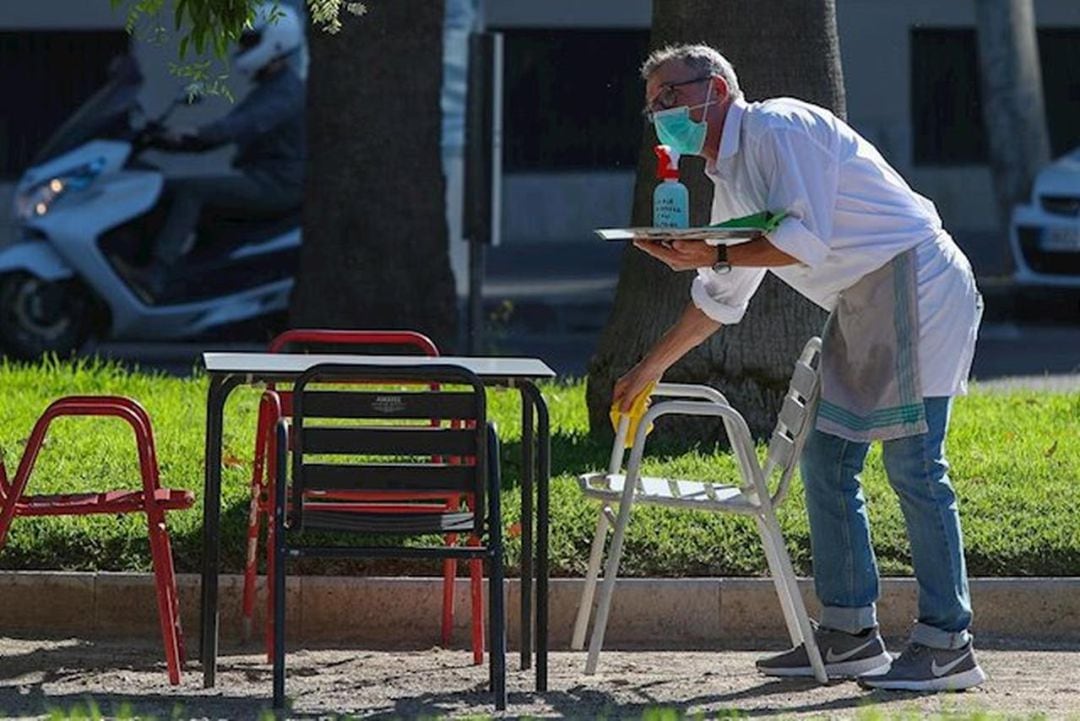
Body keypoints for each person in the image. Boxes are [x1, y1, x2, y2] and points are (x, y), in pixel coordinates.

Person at [614, 44, 985, 692]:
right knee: (827, 461)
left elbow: (797, 241)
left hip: (915, 280)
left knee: (916, 463)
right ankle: (847, 633)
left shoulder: (781, 127)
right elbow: (721, 297)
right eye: (654, 110)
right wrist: (647, 371)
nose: (663, 116)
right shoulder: (730, 180)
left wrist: (708, 247)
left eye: (670, 98)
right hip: (863, 298)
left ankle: (948, 640)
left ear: (717, 88)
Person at [134, 2, 306, 299]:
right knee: (163, 187)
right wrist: (163, 139)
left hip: (277, 183)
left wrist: (195, 132)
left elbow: (239, 126)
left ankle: (155, 275)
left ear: (275, 42)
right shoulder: (270, 87)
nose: (241, 47)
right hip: (261, 177)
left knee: (193, 191)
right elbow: (223, 132)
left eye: (249, 40)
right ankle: (184, 280)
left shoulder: (286, 91)